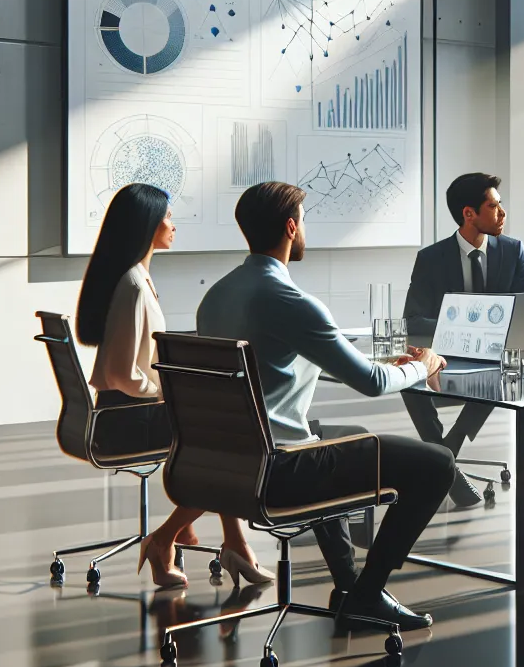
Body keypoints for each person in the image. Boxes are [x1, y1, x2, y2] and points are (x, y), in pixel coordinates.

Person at [139, 182, 454, 631]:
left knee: (336, 435)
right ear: (291, 227)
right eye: (303, 221)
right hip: (282, 473)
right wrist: (424, 365)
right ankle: (369, 593)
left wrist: (388, 360)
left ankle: (348, 584)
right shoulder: (291, 301)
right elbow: (371, 383)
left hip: (230, 465)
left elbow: (293, 362)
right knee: (437, 463)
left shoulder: (218, 296)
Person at [76, 183, 270, 584]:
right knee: (226, 444)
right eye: (167, 217)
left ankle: (223, 540)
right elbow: (120, 375)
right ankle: (170, 537)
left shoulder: (135, 279)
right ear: (147, 224)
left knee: (220, 435)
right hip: (124, 420)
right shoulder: (132, 285)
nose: (173, 224)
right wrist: (170, 392)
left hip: (123, 411)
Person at [400, 172, 524, 507]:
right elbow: (413, 321)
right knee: (407, 380)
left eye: (500, 205)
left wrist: (484, 336)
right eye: (493, 206)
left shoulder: (514, 251)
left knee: (495, 373)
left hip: (494, 361)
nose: (502, 213)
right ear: (469, 214)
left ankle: (446, 457)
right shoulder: (431, 258)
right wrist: (462, 331)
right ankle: (449, 467)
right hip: (446, 360)